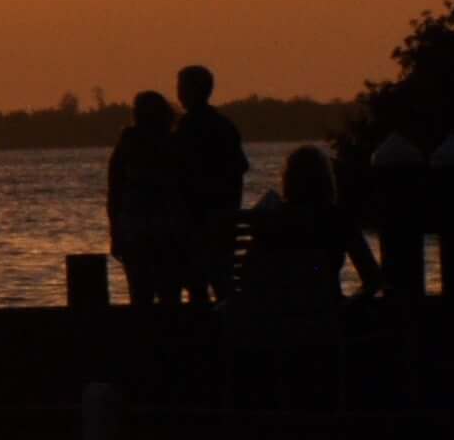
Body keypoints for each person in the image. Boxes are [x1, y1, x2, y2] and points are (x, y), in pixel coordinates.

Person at [250, 144, 382, 305]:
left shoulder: (274, 219)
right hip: (328, 312)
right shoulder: (339, 219)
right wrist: (351, 303)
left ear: (288, 180)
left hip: (280, 315)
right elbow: (372, 278)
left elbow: (252, 276)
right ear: (326, 180)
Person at [106, 90, 196, 307]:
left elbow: (114, 193)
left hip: (136, 230)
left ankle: (144, 336)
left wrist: (116, 233)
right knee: (169, 294)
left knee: (140, 294)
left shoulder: (126, 146)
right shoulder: (174, 145)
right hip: (169, 230)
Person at [174, 63, 250, 303]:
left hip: (197, 222)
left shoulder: (187, 128)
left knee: (198, 286)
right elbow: (240, 166)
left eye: (182, 88)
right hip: (223, 219)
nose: (179, 93)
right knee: (222, 282)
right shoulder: (223, 125)